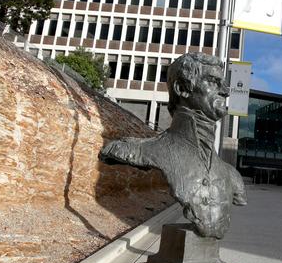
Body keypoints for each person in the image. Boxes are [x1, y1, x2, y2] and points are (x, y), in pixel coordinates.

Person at [99, 52, 247, 239]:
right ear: (182, 88)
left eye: (224, 83)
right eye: (212, 81)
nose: (225, 91)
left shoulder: (232, 176)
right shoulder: (136, 151)